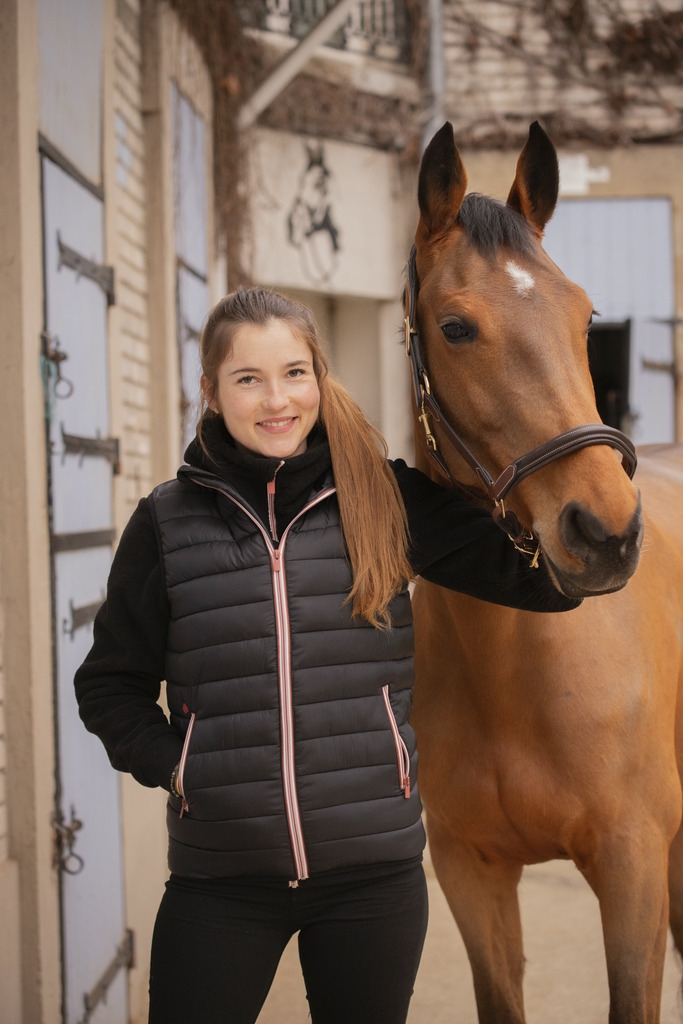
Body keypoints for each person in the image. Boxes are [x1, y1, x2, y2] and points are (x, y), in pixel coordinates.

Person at [74, 287, 580, 1024]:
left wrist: (565, 476)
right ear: (210, 392)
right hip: (221, 882)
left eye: (294, 373)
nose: (276, 400)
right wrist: (179, 767)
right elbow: (108, 686)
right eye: (248, 379)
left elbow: (546, 582)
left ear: (319, 375)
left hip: (371, 881)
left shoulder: (386, 499)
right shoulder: (165, 523)